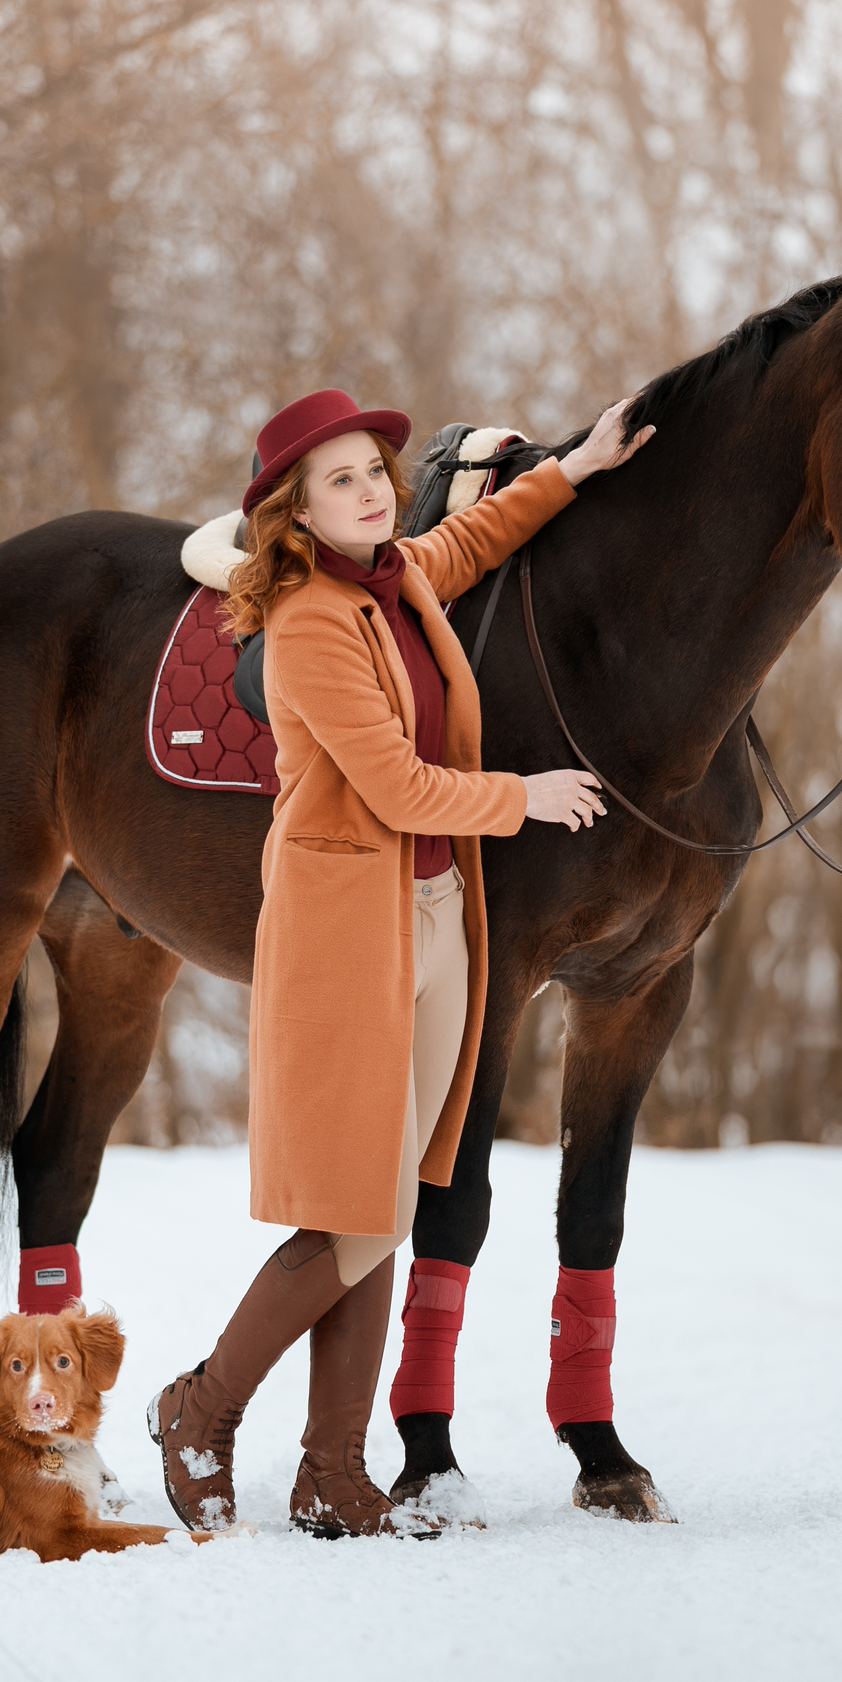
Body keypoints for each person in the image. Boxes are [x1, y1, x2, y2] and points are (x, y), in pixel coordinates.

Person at [150, 386, 653, 1537]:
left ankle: (333, 1470)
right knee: (353, 1213)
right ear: (294, 509)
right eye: (341, 480)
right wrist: (524, 798)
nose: (372, 489)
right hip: (345, 927)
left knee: (383, 1197)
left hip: (432, 917)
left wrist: (576, 467)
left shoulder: (392, 579)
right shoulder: (314, 619)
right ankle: (200, 1407)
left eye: (375, 469)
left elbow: (466, 536)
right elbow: (397, 787)